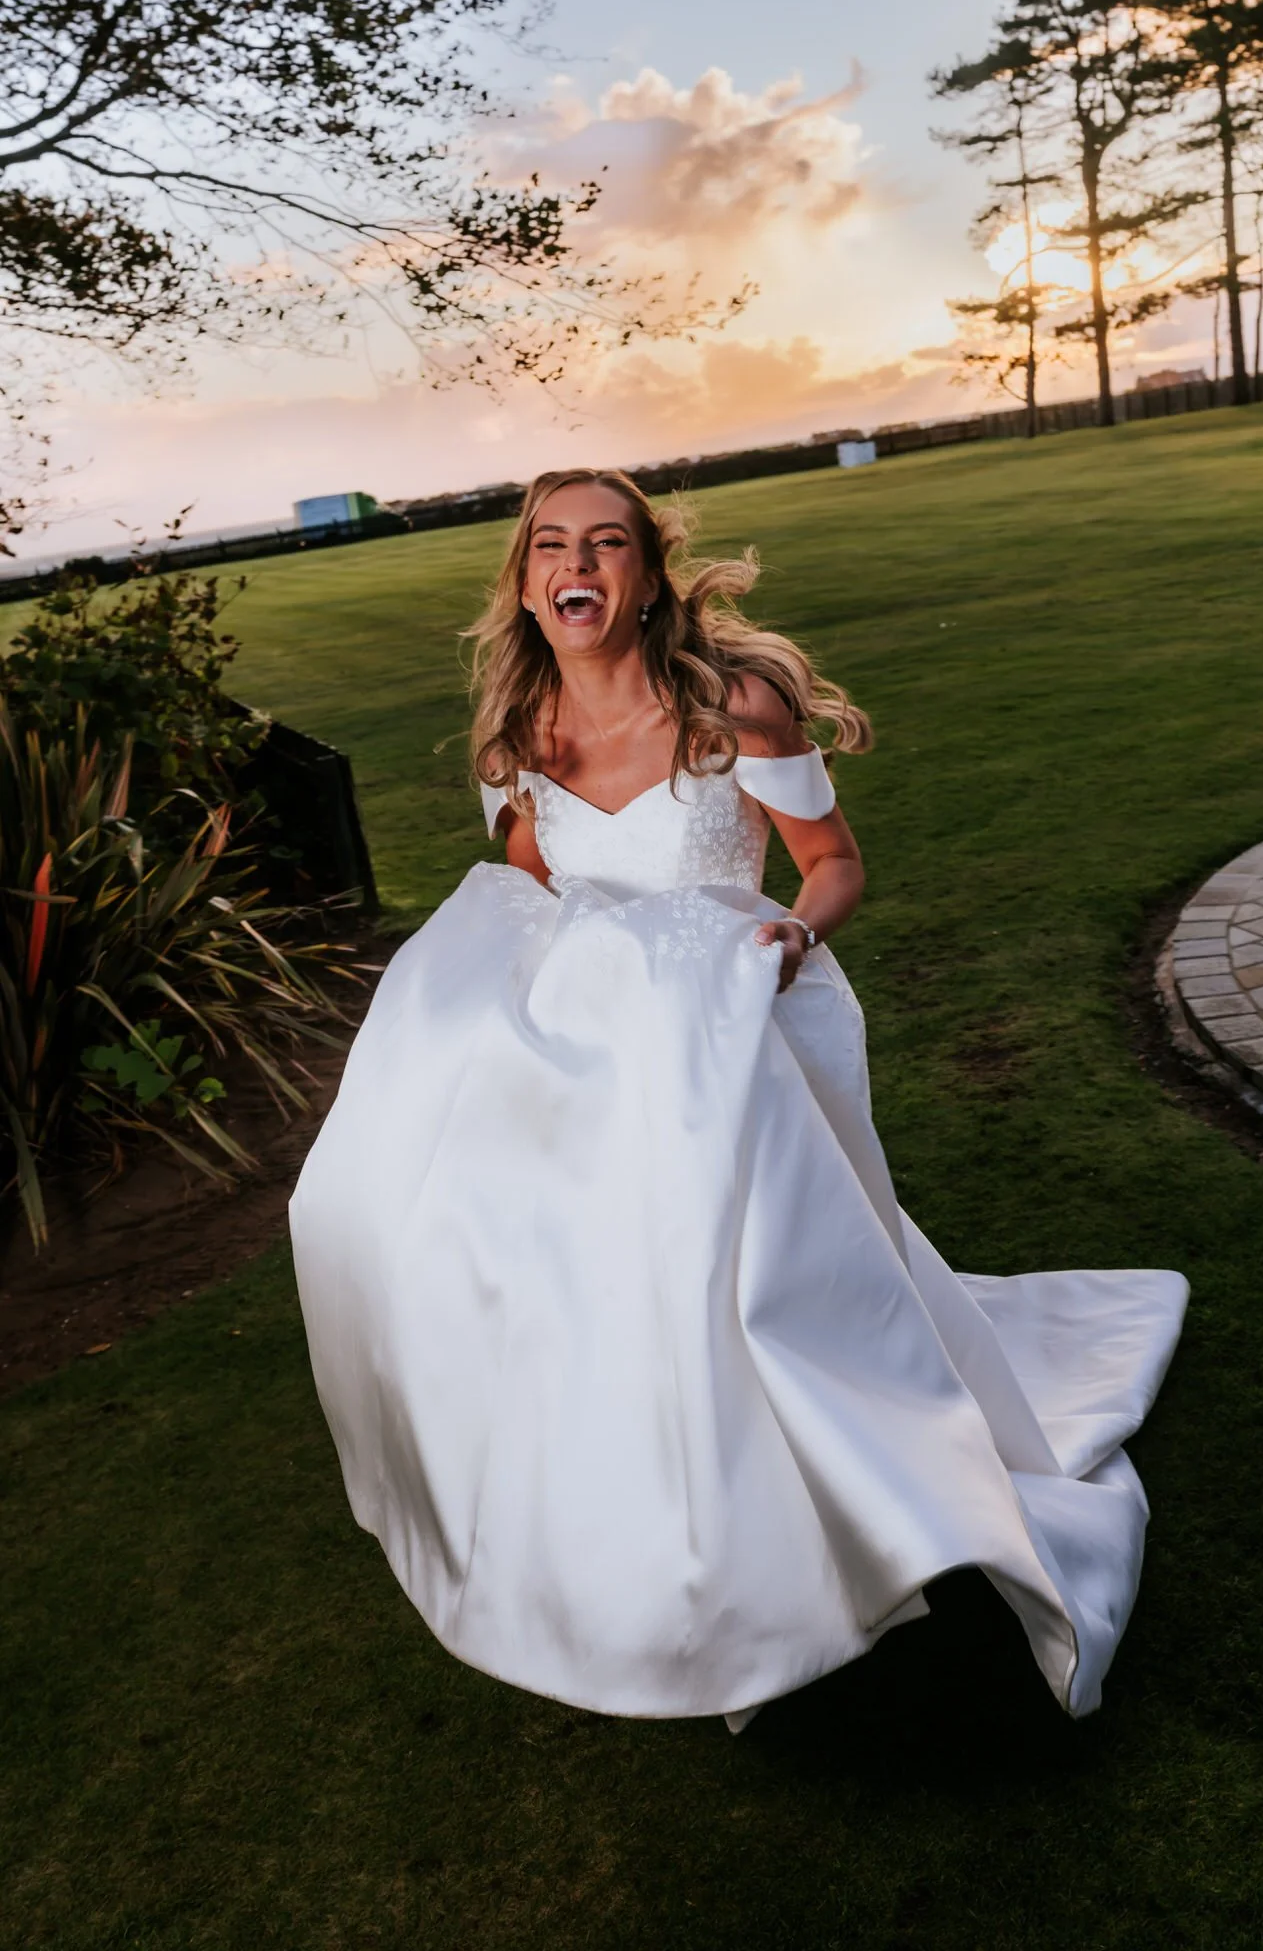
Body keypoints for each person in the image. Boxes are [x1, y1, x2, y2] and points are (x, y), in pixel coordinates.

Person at [289, 466, 1187, 1731]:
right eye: (552, 544)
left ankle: (850, 1526)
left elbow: (831, 866)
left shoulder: (733, 705)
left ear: (648, 571)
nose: (577, 563)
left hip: (735, 1021)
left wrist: (789, 944)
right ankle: (650, 1538)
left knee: (748, 1284)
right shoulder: (521, 726)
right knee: (514, 1256)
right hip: (594, 1046)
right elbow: (531, 885)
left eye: (607, 542)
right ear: (527, 578)